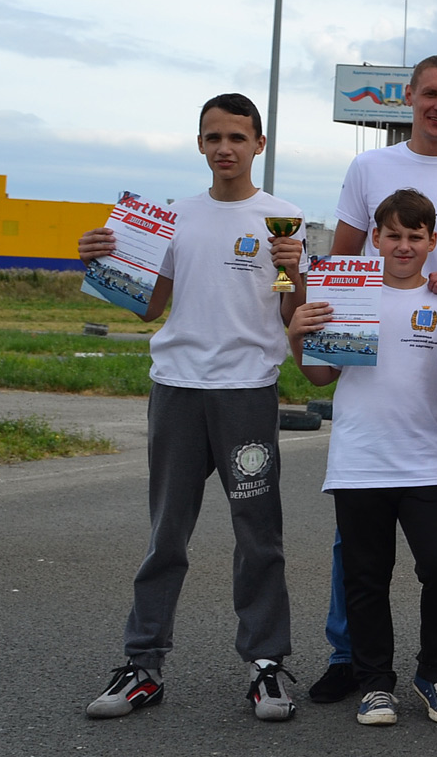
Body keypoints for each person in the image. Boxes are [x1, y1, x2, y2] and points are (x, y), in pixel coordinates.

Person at [80, 92, 305, 723]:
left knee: (258, 535)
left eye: (237, 137)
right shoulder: (174, 216)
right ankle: (143, 664)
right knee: (166, 533)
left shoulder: (283, 219)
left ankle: (266, 665)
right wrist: (100, 263)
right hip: (177, 388)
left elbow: (293, 315)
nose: (224, 148)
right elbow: (150, 306)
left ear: (259, 144)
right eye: (213, 137)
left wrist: (298, 274)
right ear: (200, 144)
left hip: (247, 392)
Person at [308, 55, 437, 709]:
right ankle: (350, 657)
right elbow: (343, 260)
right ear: (410, 97)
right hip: (380, 350)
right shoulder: (370, 167)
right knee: (358, 526)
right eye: (431, 93)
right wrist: (329, 322)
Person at [286, 188, 437, 726]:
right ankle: (375, 683)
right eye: (393, 235)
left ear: (433, 242)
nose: (403, 246)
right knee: (365, 577)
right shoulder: (346, 291)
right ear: (374, 237)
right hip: (360, 460)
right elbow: (320, 375)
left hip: (425, 462)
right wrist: (297, 335)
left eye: (414, 237)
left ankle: (435, 674)